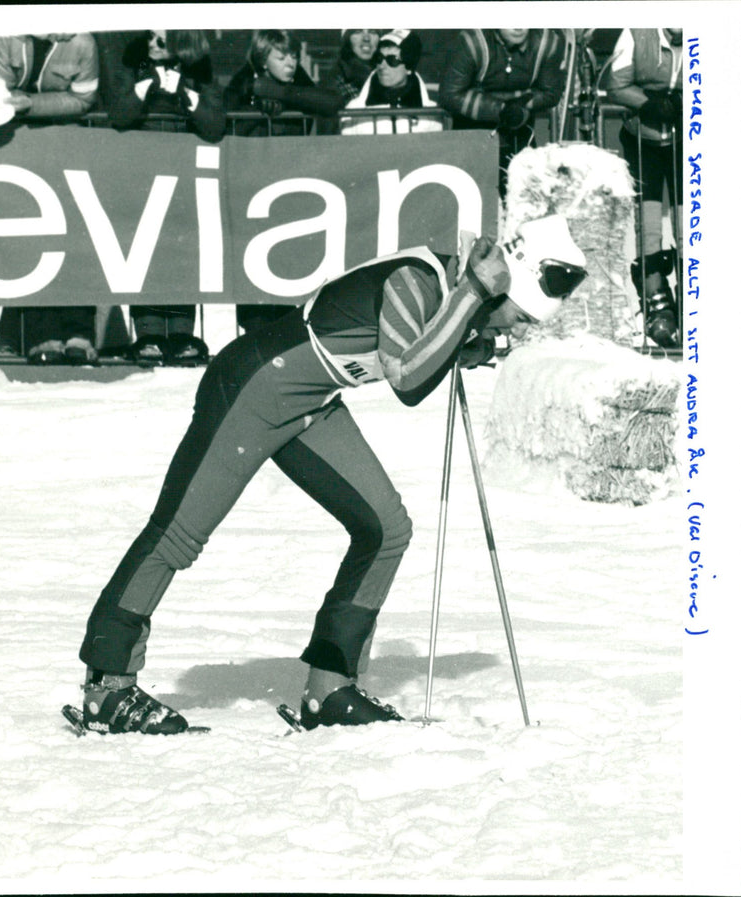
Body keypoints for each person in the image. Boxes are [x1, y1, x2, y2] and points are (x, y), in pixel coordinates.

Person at [76, 214, 587, 734]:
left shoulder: (454, 292)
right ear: (501, 284)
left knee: (386, 529)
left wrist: (465, 328)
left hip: (311, 402)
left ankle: (330, 688)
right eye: (521, 317)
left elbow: (423, 345)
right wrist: (472, 297)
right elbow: (407, 378)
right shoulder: (416, 278)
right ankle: (107, 687)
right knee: (180, 532)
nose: (520, 330)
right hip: (254, 386)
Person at [101, 29, 227, 364]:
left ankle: (183, 330)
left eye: (161, 39)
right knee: (143, 245)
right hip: (140, 172)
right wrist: (144, 88)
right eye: (150, 38)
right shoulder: (131, 65)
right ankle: (149, 332)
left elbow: (215, 124)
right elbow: (119, 114)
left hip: (186, 172)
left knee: (183, 246)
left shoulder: (198, 70)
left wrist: (186, 94)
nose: (153, 44)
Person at [0, 33, 101, 364]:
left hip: (70, 143)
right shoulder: (5, 35)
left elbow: (84, 100)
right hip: (16, 144)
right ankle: (38, 333)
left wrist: (31, 104)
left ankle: (79, 331)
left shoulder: (83, 42)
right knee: (30, 238)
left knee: (76, 237)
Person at [224, 30, 342, 333]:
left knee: (291, 262)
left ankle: (289, 329)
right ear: (263, 60)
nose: (290, 62)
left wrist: (281, 94)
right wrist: (256, 109)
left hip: (292, 188)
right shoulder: (243, 81)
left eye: (293, 56)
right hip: (253, 188)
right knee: (254, 261)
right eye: (281, 57)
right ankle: (255, 330)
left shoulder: (294, 79)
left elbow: (329, 102)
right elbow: (226, 118)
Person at [602, 28, 682, 349]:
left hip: (686, 137)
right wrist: (648, 103)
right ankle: (655, 299)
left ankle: (694, 297)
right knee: (648, 224)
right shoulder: (639, 32)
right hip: (643, 137)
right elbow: (616, 85)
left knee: (687, 223)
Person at [438, 29, 567, 198]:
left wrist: (521, 106)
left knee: (526, 201)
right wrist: (501, 109)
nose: (518, 26)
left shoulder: (547, 43)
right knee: (473, 203)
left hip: (520, 136)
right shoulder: (473, 42)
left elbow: (551, 92)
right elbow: (450, 94)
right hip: (473, 136)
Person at [340, 29, 444, 135]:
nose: (382, 66)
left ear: (409, 68)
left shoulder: (432, 112)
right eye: (379, 58)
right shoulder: (354, 110)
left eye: (392, 60)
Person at [324, 29, 382, 106]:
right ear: (347, 40)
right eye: (358, 32)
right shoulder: (338, 78)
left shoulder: (389, 72)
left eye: (372, 32)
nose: (366, 38)